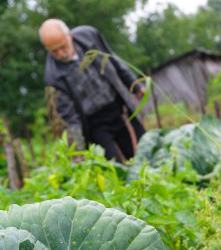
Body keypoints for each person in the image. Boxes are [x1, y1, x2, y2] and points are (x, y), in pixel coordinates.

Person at [39, 18, 146, 162]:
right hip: (96, 125)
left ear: (68, 36)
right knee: (115, 168)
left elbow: (113, 59)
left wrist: (134, 84)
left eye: (62, 46)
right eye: (54, 51)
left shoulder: (88, 35)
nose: (60, 53)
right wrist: (77, 151)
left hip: (119, 108)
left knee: (143, 153)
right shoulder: (53, 77)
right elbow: (70, 118)